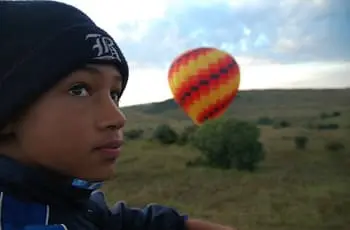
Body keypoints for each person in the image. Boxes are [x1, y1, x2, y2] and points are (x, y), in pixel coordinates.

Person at [0, 1, 236, 230]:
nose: (117, 118)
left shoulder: (58, 195)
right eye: (79, 89)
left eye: (114, 94)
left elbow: (111, 220)